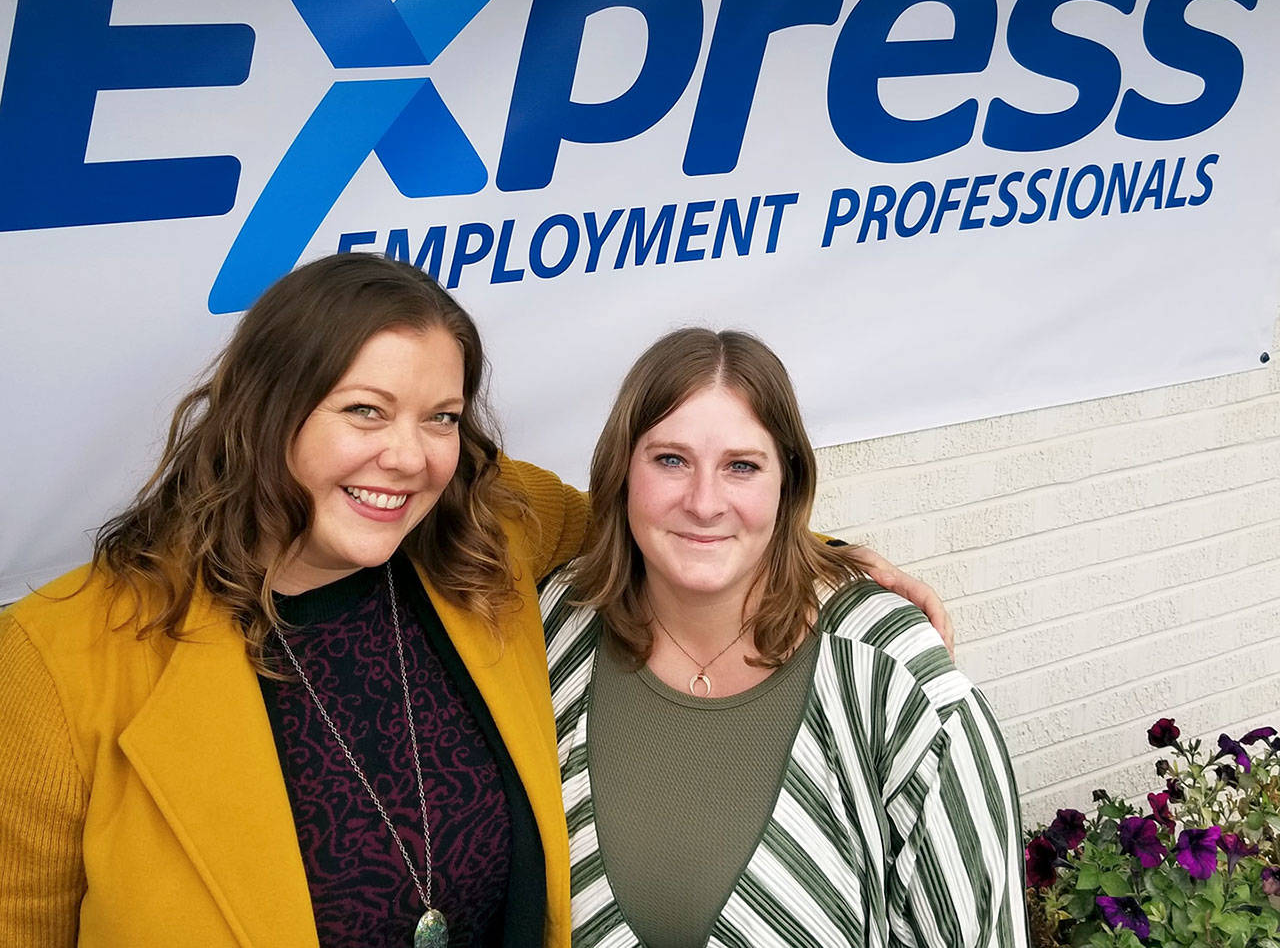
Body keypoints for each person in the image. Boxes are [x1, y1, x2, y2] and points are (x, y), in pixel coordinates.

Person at [0, 254, 947, 948]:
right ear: (267, 409)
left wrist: (820, 552)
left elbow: (660, 522)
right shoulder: (58, 660)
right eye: (364, 410)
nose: (408, 456)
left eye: (441, 418)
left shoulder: (481, 530)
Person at [542, 328, 1028, 948]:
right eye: (670, 460)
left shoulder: (892, 673)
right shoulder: (558, 623)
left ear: (787, 484)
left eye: (742, 466)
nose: (704, 502)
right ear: (621, 471)